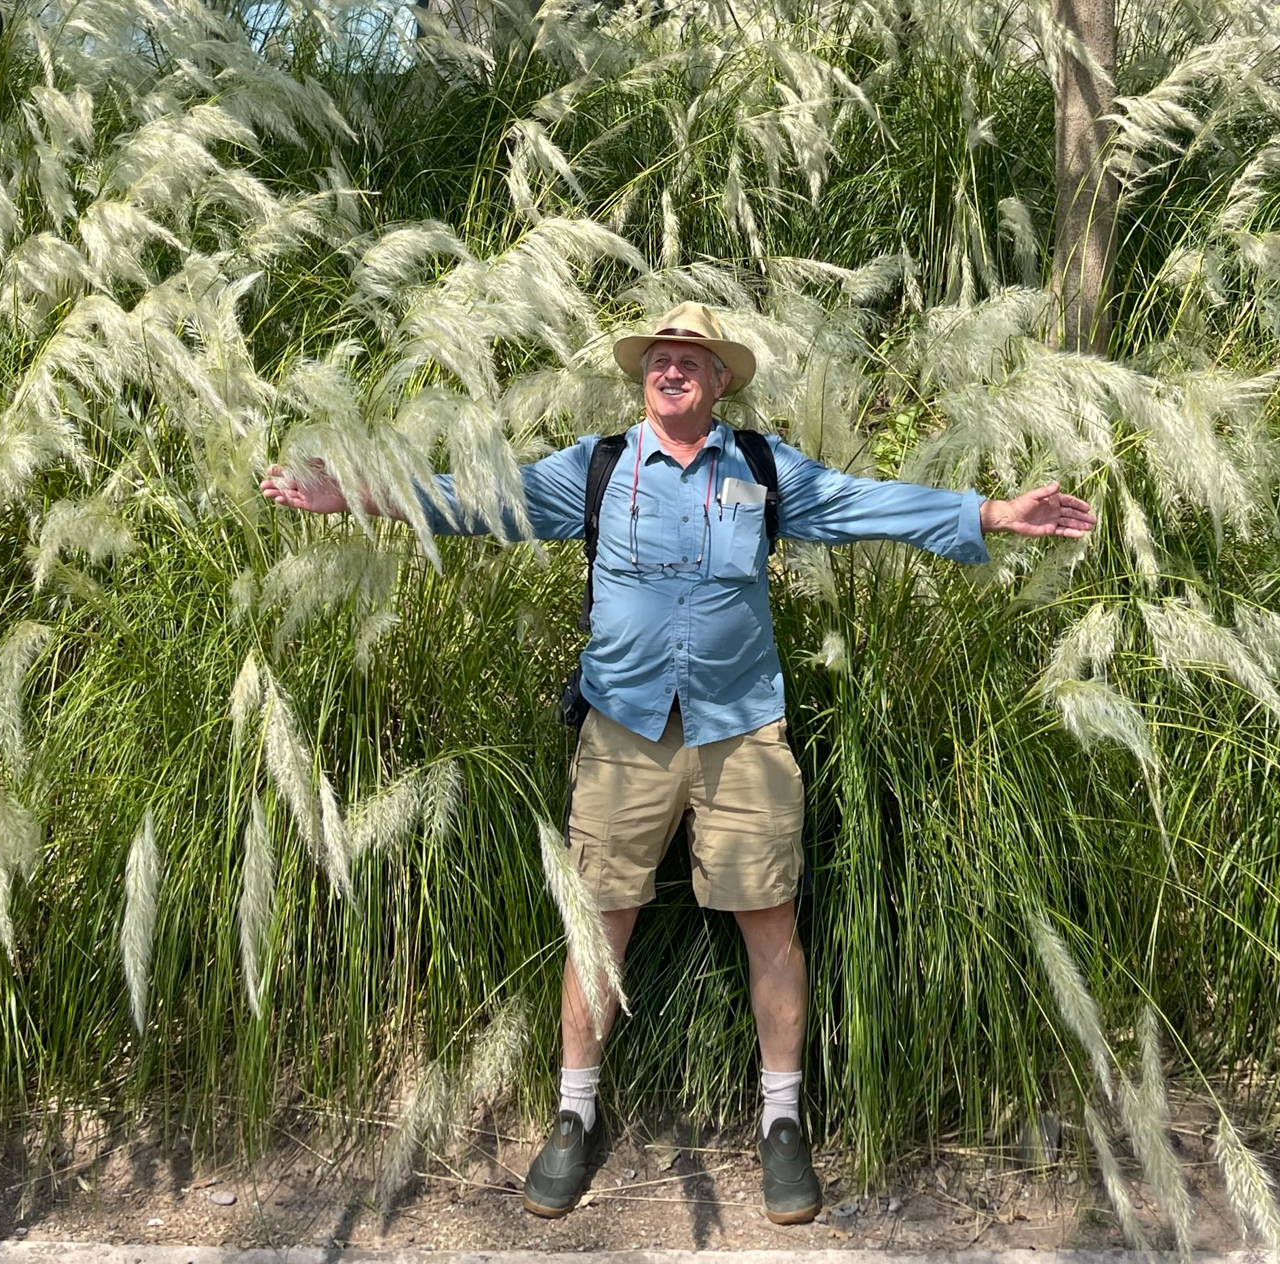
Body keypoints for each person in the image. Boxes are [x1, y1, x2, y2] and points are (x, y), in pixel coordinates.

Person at [261, 301, 1096, 1225]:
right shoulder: (598, 470)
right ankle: (572, 1116)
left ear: (721, 380)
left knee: (769, 921)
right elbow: (476, 499)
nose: (671, 370)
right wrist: (358, 492)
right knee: (600, 922)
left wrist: (990, 511)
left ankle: (784, 1124)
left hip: (743, 731)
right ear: (642, 378)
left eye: (689, 359)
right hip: (622, 735)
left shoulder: (765, 470)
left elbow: (869, 504)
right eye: (658, 358)